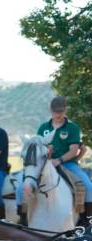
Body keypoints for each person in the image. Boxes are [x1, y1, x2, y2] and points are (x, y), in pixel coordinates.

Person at [38, 96, 92, 226]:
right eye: (56, 111)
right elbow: (38, 147)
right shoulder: (43, 127)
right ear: (50, 110)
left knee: (88, 186)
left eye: (61, 111)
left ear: (66, 109)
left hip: (68, 164)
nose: (58, 114)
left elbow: (74, 150)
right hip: (46, 164)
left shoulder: (72, 128)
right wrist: (46, 152)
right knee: (25, 185)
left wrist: (59, 160)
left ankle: (87, 220)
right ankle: (24, 215)